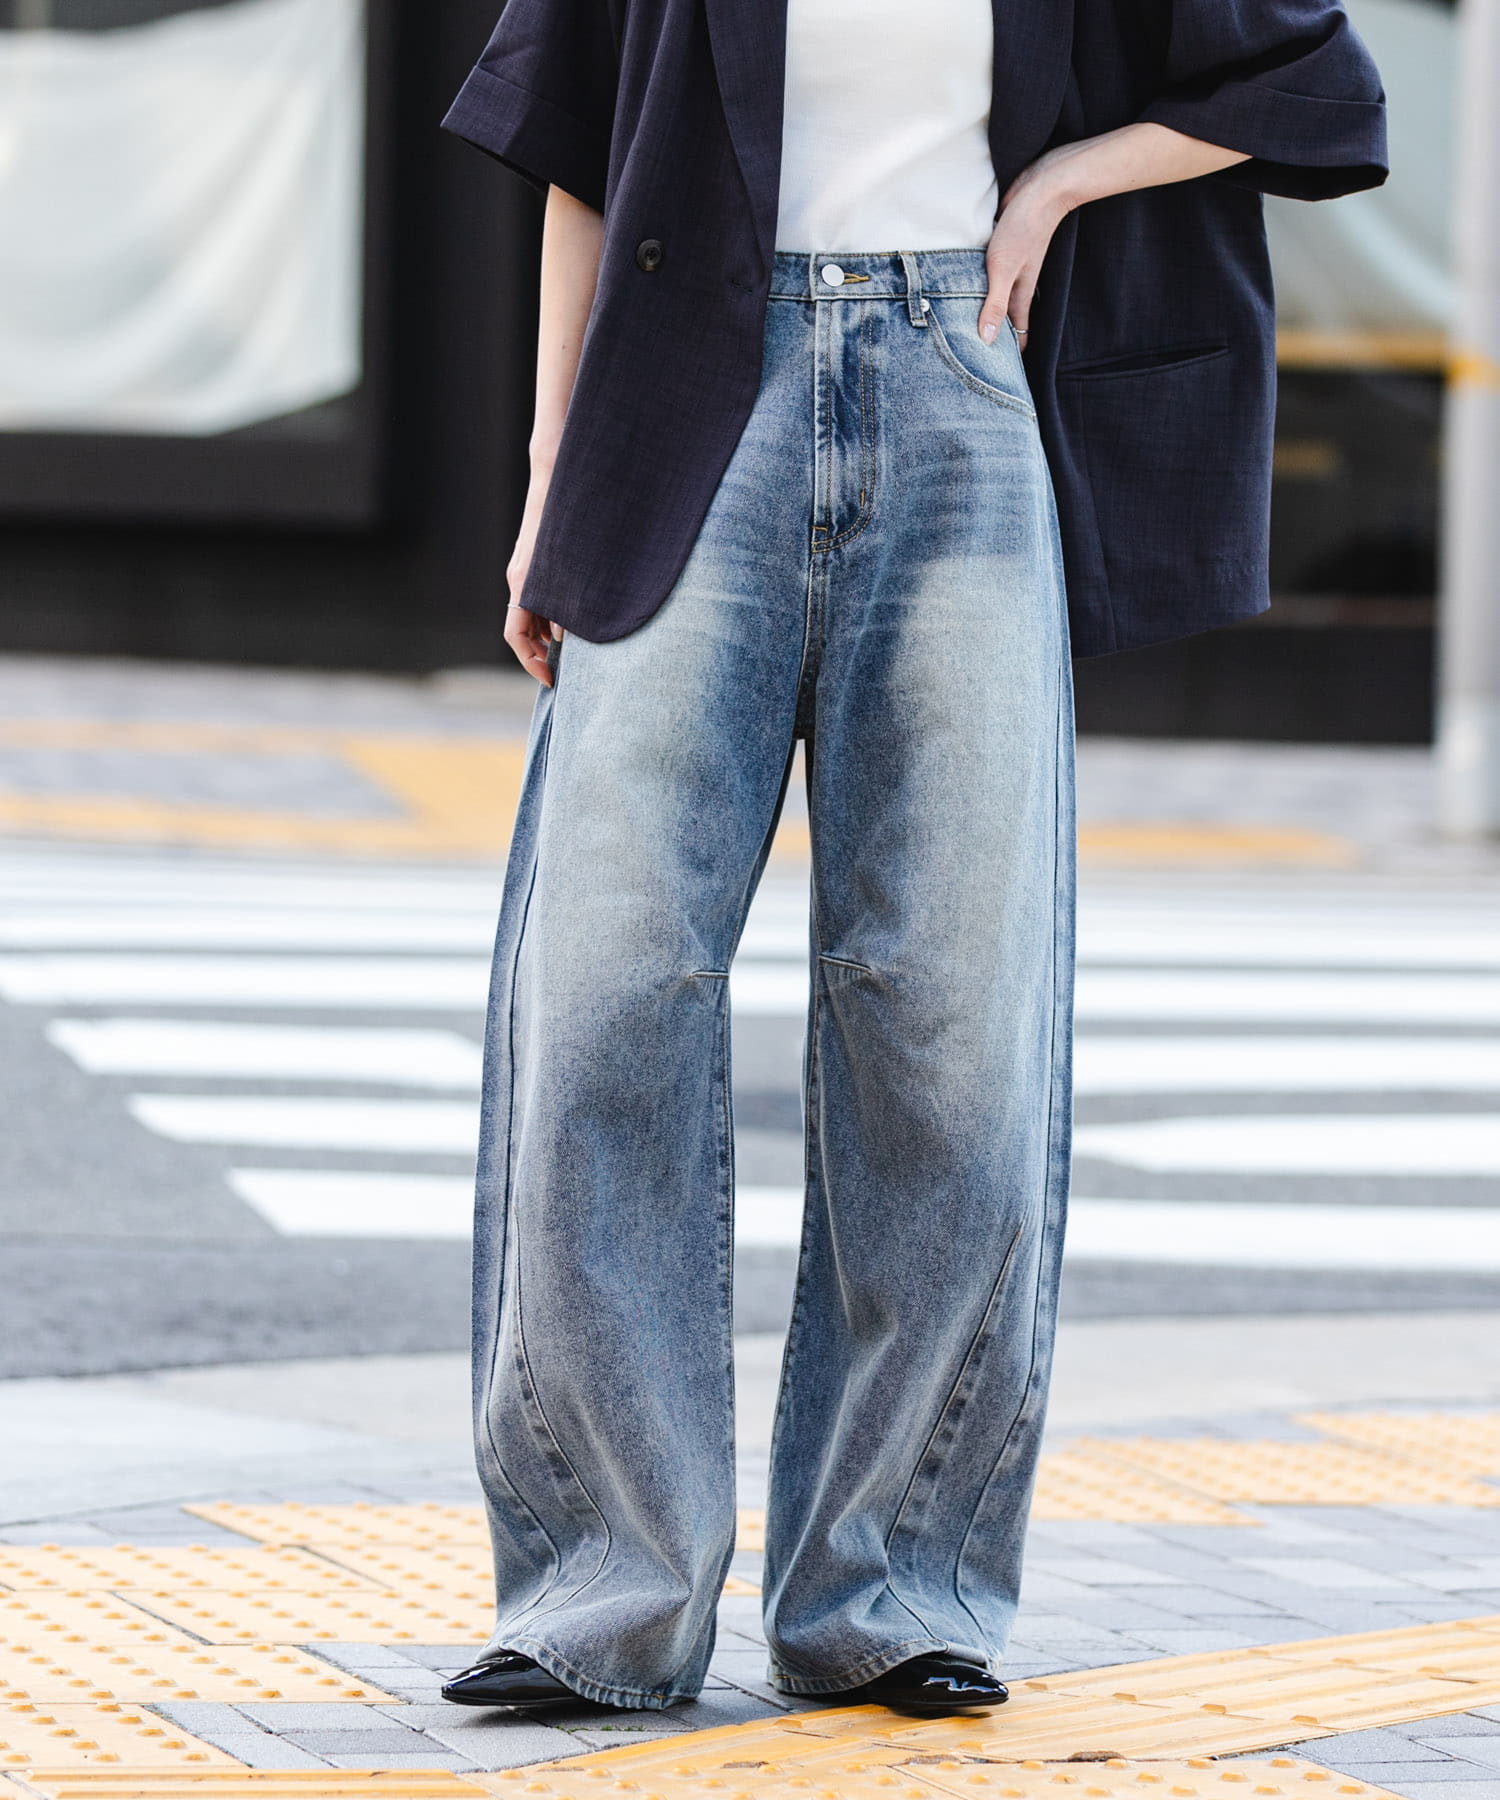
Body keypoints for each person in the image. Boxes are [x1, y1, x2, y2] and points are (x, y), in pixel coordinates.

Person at [437, 0, 1386, 1717]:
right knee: (602, 988)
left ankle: (892, 1587)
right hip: (684, 399)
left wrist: (1067, 182)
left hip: (963, 378)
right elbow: (574, 139)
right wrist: (548, 469)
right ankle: (604, 1594)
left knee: (948, 1014)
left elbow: (1311, 77)